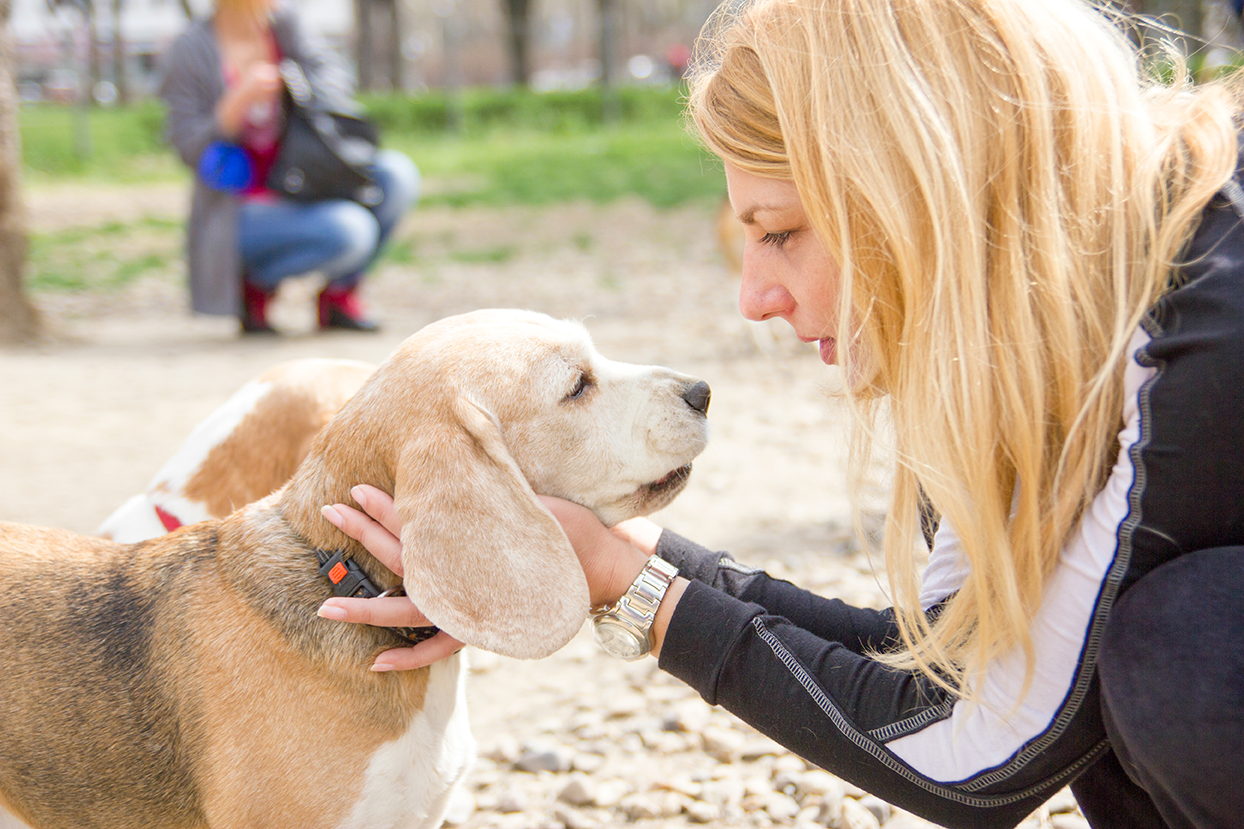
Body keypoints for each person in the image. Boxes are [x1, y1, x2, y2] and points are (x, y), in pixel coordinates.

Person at [313, 0, 1244, 826]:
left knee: (1184, 653)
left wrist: (633, 596)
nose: (754, 296)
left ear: (920, 189)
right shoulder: (1047, 336)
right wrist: (628, 561)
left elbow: (981, 760)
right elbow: (955, 667)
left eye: (781, 233)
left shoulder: (1195, 331)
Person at [159, 0, 419, 335]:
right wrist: (235, 106)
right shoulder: (190, 48)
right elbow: (187, 146)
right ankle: (254, 286)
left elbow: (338, 91)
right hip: (239, 207)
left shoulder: (289, 27)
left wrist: (290, 84)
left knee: (397, 174)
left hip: (308, 178)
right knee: (351, 231)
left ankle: (339, 296)